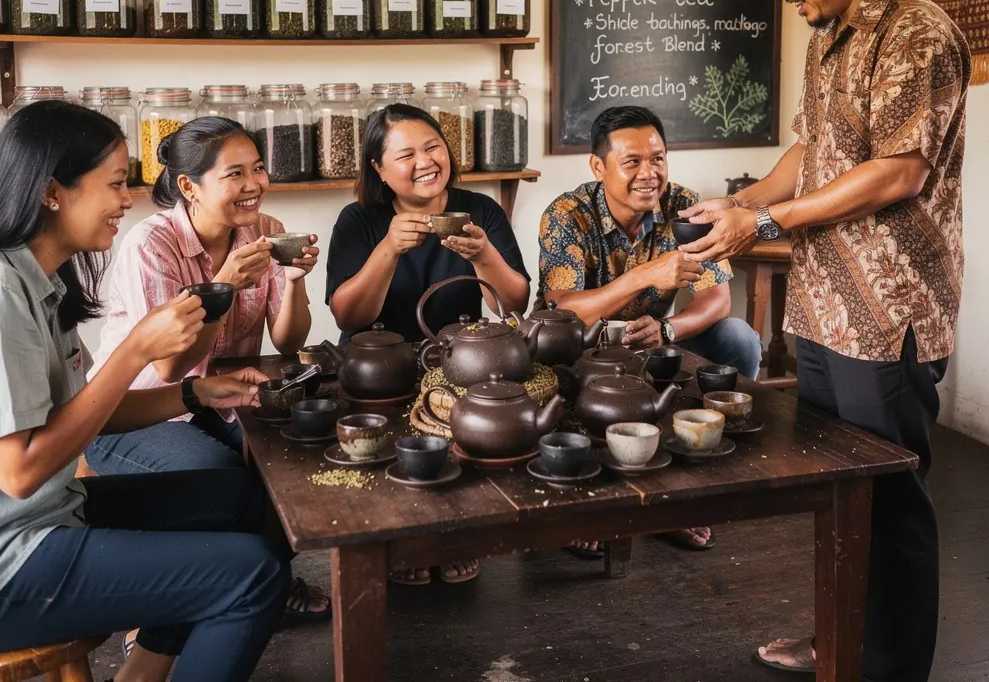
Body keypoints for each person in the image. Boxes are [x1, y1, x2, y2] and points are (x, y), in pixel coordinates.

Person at [680, 0, 969, 681]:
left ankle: (889, 666)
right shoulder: (827, 33)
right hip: (820, 309)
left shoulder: (917, 32)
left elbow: (897, 171)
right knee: (834, 497)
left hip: (887, 315)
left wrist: (765, 222)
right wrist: (735, 203)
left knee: (889, 505)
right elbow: (814, 153)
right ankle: (841, 637)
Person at [0, 100, 288, 682]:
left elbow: (85, 414)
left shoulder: (46, 280)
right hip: (15, 557)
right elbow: (20, 472)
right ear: (53, 191)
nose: (127, 200)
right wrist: (136, 350)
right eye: (113, 184)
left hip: (53, 515)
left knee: (247, 500)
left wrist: (196, 394)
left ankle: (141, 674)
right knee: (253, 575)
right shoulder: (4, 292)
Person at [87, 116, 328, 623]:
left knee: (291, 463)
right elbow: (171, 364)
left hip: (225, 399)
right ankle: (173, 611)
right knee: (220, 477)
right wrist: (222, 286)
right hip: (134, 411)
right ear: (188, 187)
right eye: (234, 174)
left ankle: (266, 583)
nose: (253, 185)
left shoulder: (266, 231)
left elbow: (288, 341)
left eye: (258, 169)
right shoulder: (150, 246)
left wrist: (297, 279)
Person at [537, 104, 764, 555]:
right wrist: (643, 277)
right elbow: (561, 310)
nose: (649, 173)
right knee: (552, 376)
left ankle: (686, 496)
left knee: (739, 339)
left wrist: (668, 328)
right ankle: (583, 506)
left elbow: (716, 298)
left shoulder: (685, 206)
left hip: (652, 342)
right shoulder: (567, 214)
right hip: (581, 351)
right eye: (632, 162)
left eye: (657, 158)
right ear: (598, 166)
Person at [327, 104, 530, 584]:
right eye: (406, 154)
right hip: (381, 369)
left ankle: (451, 538)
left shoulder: (479, 210)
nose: (425, 162)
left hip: (461, 363)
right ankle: (403, 543)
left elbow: (513, 304)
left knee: (473, 434)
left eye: (433, 146)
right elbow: (348, 316)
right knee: (390, 449)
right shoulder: (359, 220)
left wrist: (484, 256)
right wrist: (388, 249)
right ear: (378, 168)